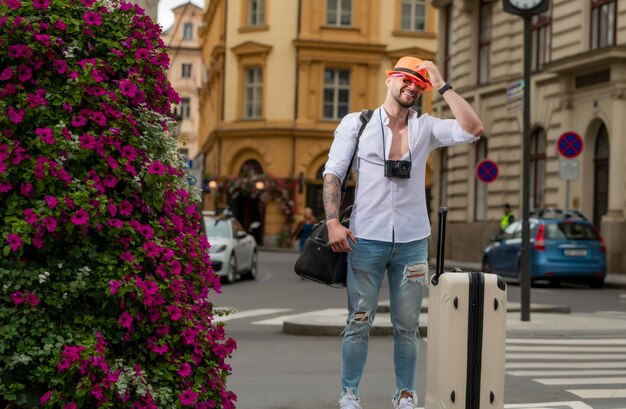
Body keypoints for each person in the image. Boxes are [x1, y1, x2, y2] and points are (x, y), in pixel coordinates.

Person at [322, 56, 483, 409]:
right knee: (359, 320)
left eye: (419, 85)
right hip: (364, 238)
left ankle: (405, 394)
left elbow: (473, 129)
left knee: (408, 326)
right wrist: (333, 222)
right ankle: (349, 394)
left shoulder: (426, 127)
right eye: (407, 80)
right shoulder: (357, 124)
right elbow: (333, 173)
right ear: (389, 79)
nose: (412, 87)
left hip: (412, 241)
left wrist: (442, 83)